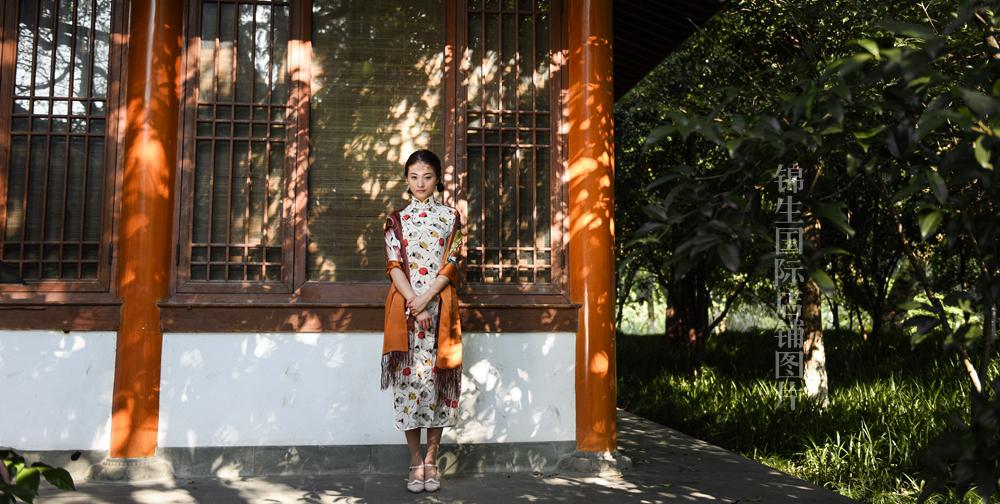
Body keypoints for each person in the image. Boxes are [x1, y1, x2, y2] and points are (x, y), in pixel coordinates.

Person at [381, 149, 464, 493]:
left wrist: (428, 298)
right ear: (406, 179)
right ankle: (415, 462)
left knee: (437, 389)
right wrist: (416, 306)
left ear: (437, 179)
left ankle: (432, 460)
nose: (420, 183)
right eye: (414, 177)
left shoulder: (450, 217)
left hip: (440, 311)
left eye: (427, 177)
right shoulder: (396, 220)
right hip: (407, 315)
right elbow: (394, 266)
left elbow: (453, 262)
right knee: (409, 389)